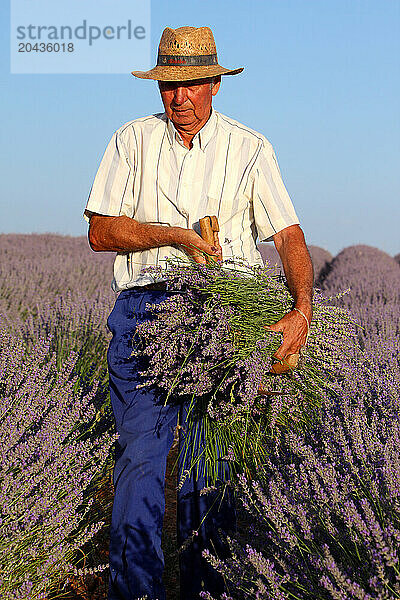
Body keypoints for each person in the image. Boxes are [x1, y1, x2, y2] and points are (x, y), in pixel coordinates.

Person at [84, 25, 313, 600]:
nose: (179, 97)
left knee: (209, 467)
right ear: (158, 88)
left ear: (214, 84)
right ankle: (136, 592)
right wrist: (178, 238)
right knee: (140, 461)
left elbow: (286, 234)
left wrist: (302, 309)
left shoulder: (250, 148)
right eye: (169, 85)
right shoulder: (130, 141)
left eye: (191, 84)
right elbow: (100, 230)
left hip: (226, 315)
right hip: (146, 313)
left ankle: (205, 589)